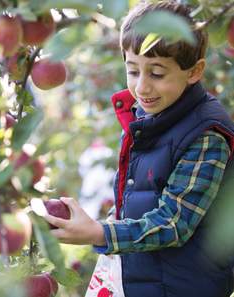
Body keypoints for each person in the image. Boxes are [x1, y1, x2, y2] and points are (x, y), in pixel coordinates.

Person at [44, 1, 234, 296]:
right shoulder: (148, 119)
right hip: (145, 282)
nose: (142, 87)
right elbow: (144, 195)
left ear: (194, 71)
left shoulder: (206, 135)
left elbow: (174, 222)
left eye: (157, 74)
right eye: (133, 71)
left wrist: (100, 233)